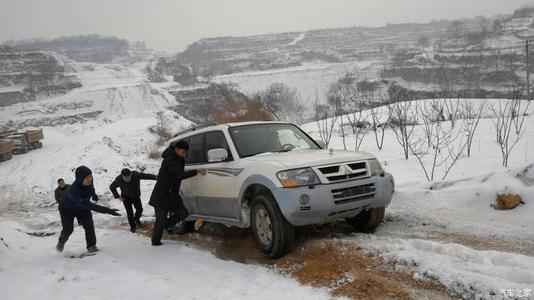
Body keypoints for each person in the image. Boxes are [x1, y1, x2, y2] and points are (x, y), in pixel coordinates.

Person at [149, 141, 206, 246]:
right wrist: (197, 170)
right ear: (176, 150)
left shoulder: (178, 158)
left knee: (182, 213)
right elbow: (180, 174)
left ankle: (164, 226)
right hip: (161, 195)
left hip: (172, 195)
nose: (185, 155)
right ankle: (155, 242)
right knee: (160, 220)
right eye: (183, 152)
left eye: (186, 153)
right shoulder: (169, 160)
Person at [56, 166, 121, 253]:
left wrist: (93, 194)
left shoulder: (89, 181)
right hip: (67, 209)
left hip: (81, 206)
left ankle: (91, 246)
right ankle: (61, 242)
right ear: (80, 179)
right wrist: (108, 211)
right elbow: (91, 206)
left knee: (89, 225)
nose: (90, 179)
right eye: (87, 177)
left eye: (90, 176)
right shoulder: (74, 191)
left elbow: (91, 187)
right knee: (68, 229)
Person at [110, 168, 157, 233]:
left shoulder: (136, 175)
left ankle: (136, 219)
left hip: (136, 197)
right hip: (125, 198)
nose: (127, 179)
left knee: (140, 209)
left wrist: (156, 177)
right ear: (122, 176)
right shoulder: (119, 179)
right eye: (125, 177)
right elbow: (112, 187)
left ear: (131, 174)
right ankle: (133, 226)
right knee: (130, 213)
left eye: (128, 177)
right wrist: (117, 196)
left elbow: (147, 176)